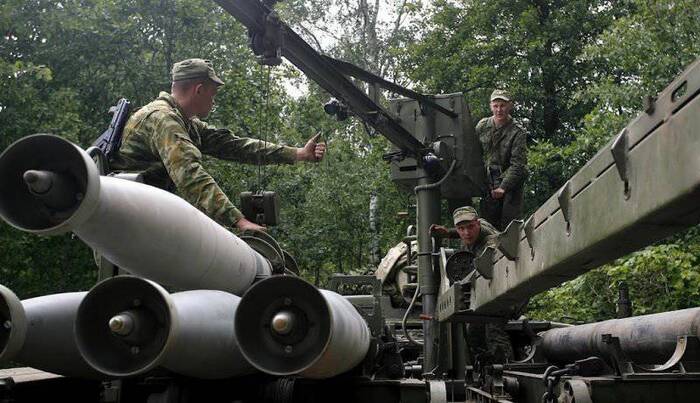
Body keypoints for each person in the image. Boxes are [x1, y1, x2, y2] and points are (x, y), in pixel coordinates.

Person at [110, 58, 325, 232]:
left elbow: (234, 145)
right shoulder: (164, 120)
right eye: (213, 94)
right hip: (125, 225)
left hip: (139, 217)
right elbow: (190, 176)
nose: (213, 102)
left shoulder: (184, 122)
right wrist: (238, 221)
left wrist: (297, 153)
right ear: (199, 90)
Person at [452, 206, 514, 363]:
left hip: (507, 290)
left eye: (470, 227)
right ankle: (484, 367)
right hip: (489, 289)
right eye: (461, 229)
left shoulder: (490, 244)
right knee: (473, 332)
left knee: (494, 331)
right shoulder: (473, 233)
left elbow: (489, 270)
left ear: (478, 223)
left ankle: (507, 368)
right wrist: (447, 233)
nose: (466, 233)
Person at [476, 89, 528, 231]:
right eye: (496, 106)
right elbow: (474, 153)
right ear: (490, 106)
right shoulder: (482, 126)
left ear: (510, 106)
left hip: (510, 181)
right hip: (489, 181)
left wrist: (503, 187)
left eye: (503, 105)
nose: (499, 110)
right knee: (487, 226)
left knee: (509, 225)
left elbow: (518, 164)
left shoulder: (517, 131)